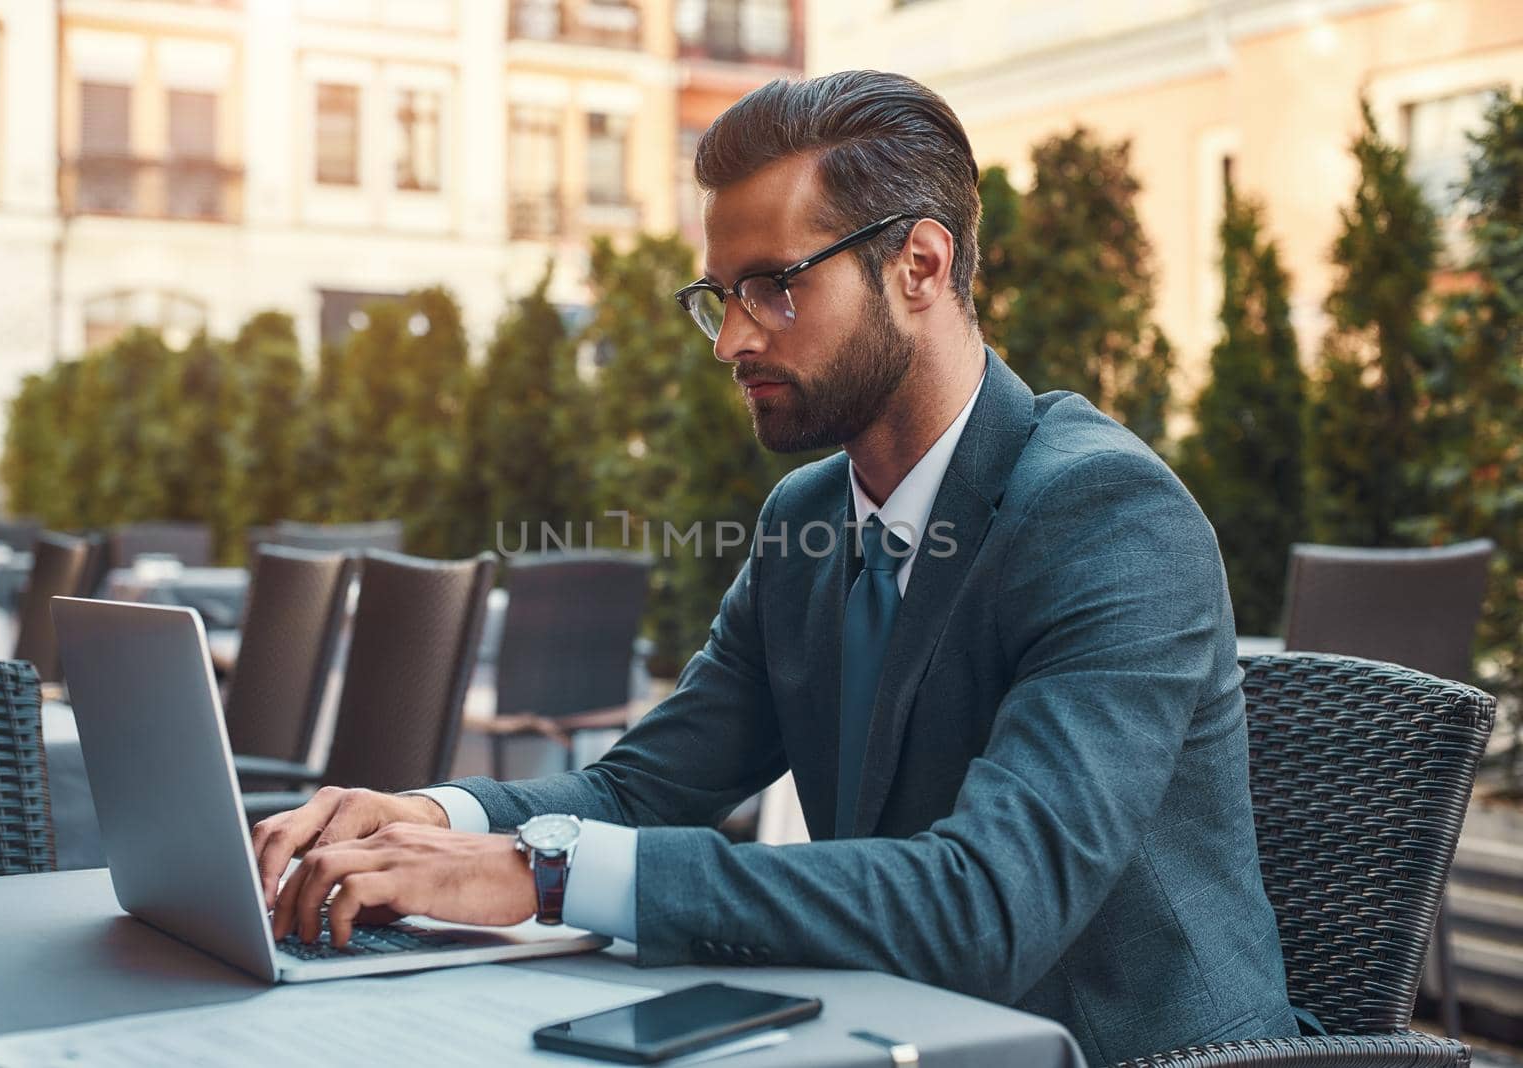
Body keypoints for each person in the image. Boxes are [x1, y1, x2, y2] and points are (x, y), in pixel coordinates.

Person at [255, 71, 1298, 1065]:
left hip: (1135, 1055)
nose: (732, 341)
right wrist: (437, 822)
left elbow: (984, 905)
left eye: (773, 288)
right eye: (719, 296)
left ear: (919, 267)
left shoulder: (1103, 514)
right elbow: (647, 786)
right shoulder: (807, 520)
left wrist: (549, 873)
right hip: (886, 1031)